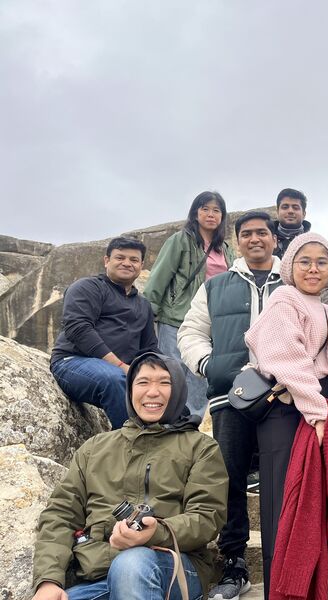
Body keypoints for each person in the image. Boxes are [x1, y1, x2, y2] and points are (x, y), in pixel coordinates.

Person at [32, 352, 228, 600]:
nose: (152, 392)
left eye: (164, 382)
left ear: (179, 389)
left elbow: (207, 517)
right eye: (143, 382)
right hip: (100, 573)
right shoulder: (94, 448)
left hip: (174, 567)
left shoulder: (201, 448)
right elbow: (60, 515)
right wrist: (48, 580)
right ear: (130, 390)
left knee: (132, 564)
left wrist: (156, 532)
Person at [177, 211, 282, 600]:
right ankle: (235, 564)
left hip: (283, 397)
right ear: (237, 242)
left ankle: (289, 566)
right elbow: (191, 331)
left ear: (274, 239)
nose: (255, 239)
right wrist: (211, 366)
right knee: (229, 481)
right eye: (247, 233)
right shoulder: (216, 285)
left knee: (284, 483)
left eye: (262, 233)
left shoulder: (291, 281)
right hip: (229, 397)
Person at [245, 232, 328, 595]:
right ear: (290, 265)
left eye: (322, 262)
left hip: (312, 407)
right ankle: (281, 589)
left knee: (312, 507)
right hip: (290, 410)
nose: (313, 269)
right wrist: (318, 414)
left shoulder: (326, 309)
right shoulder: (284, 299)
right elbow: (287, 361)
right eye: (305, 261)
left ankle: (308, 586)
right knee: (285, 506)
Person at [144, 191, 235, 420]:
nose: (211, 214)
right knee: (172, 372)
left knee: (200, 372)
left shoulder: (225, 249)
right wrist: (148, 315)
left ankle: (191, 422)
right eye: (205, 209)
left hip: (212, 322)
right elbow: (159, 277)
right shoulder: (180, 240)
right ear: (195, 213)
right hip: (177, 317)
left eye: (216, 210)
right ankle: (166, 420)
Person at [50, 237, 158, 429]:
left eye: (133, 260)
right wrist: (121, 366)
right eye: (120, 257)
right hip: (72, 362)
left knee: (170, 383)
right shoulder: (87, 287)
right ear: (106, 260)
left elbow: (148, 349)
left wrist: (164, 374)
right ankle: (134, 441)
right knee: (114, 379)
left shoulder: (143, 305)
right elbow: (78, 328)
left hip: (121, 370)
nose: (127, 263)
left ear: (141, 266)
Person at [274, 188, 312, 258]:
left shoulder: (313, 242)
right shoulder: (264, 241)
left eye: (295, 208)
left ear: (304, 214)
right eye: (285, 207)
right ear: (277, 212)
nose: (290, 211)